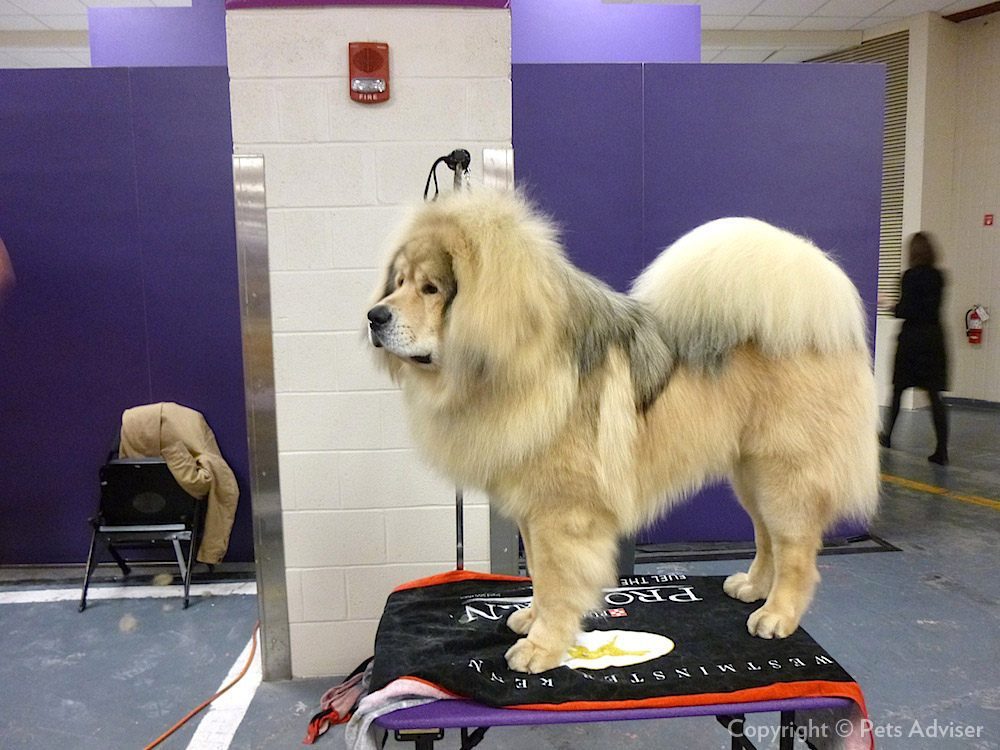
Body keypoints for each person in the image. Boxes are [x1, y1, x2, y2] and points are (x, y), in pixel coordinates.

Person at [879, 231, 949, 465]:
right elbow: (930, 309)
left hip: (912, 341)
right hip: (934, 340)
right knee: (934, 396)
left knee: (898, 390)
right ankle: (941, 450)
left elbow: (907, 310)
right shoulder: (940, 277)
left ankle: (887, 436)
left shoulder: (910, 276)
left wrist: (890, 305)